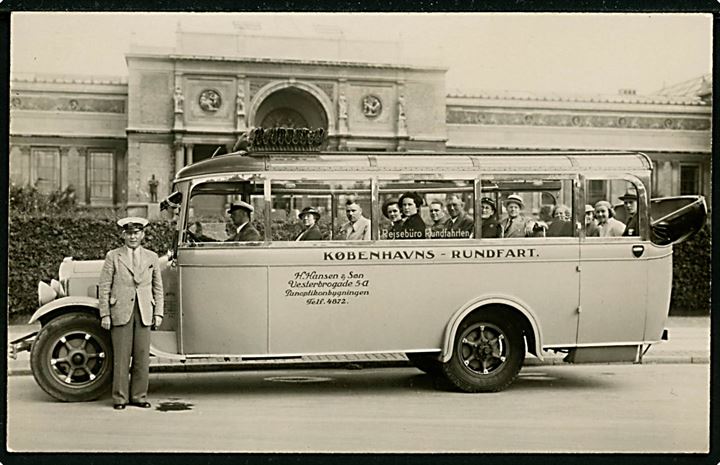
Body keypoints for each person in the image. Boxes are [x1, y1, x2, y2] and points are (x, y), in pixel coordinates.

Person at [98, 217, 164, 410]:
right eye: (129, 233)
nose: (133, 237)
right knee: (121, 357)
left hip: (144, 310)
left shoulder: (151, 257)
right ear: (123, 235)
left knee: (142, 357)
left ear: (143, 234)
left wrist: (158, 313)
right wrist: (105, 314)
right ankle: (119, 398)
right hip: (120, 311)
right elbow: (104, 287)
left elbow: (158, 287)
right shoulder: (113, 256)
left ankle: (139, 396)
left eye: (136, 233)